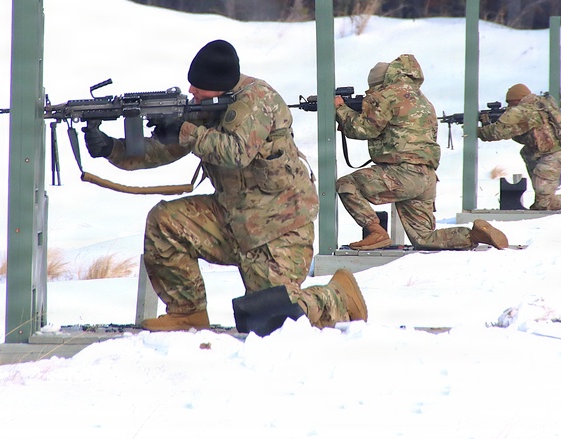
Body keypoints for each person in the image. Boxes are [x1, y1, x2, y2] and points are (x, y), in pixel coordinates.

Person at [82, 39, 367, 332]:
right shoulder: (207, 106)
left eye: (198, 86)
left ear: (219, 84)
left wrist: (185, 131)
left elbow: (236, 152)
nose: (191, 91)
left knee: (266, 320)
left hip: (279, 229)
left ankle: (337, 297)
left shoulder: (257, 102)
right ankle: (187, 313)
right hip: (232, 218)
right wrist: (112, 148)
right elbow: (165, 149)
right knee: (165, 222)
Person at [334, 56, 508, 251]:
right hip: (426, 177)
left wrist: (341, 109)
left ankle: (375, 231)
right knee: (425, 237)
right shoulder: (420, 98)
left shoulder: (385, 95)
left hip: (401, 174)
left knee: (346, 184)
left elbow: (363, 129)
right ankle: (473, 235)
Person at [477, 83, 561, 211]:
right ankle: (542, 198)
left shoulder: (522, 111)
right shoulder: (539, 105)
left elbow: (495, 133)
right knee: (527, 151)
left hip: (554, 155)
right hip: (555, 152)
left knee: (545, 205)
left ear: (516, 101)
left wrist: (478, 130)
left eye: (509, 104)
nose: (508, 108)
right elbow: (519, 133)